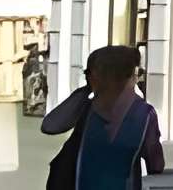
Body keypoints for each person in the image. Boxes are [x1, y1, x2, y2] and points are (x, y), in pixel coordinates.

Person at [40, 45, 163, 190]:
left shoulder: (89, 109)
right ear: (131, 75)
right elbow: (156, 165)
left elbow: (50, 126)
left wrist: (87, 89)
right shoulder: (145, 115)